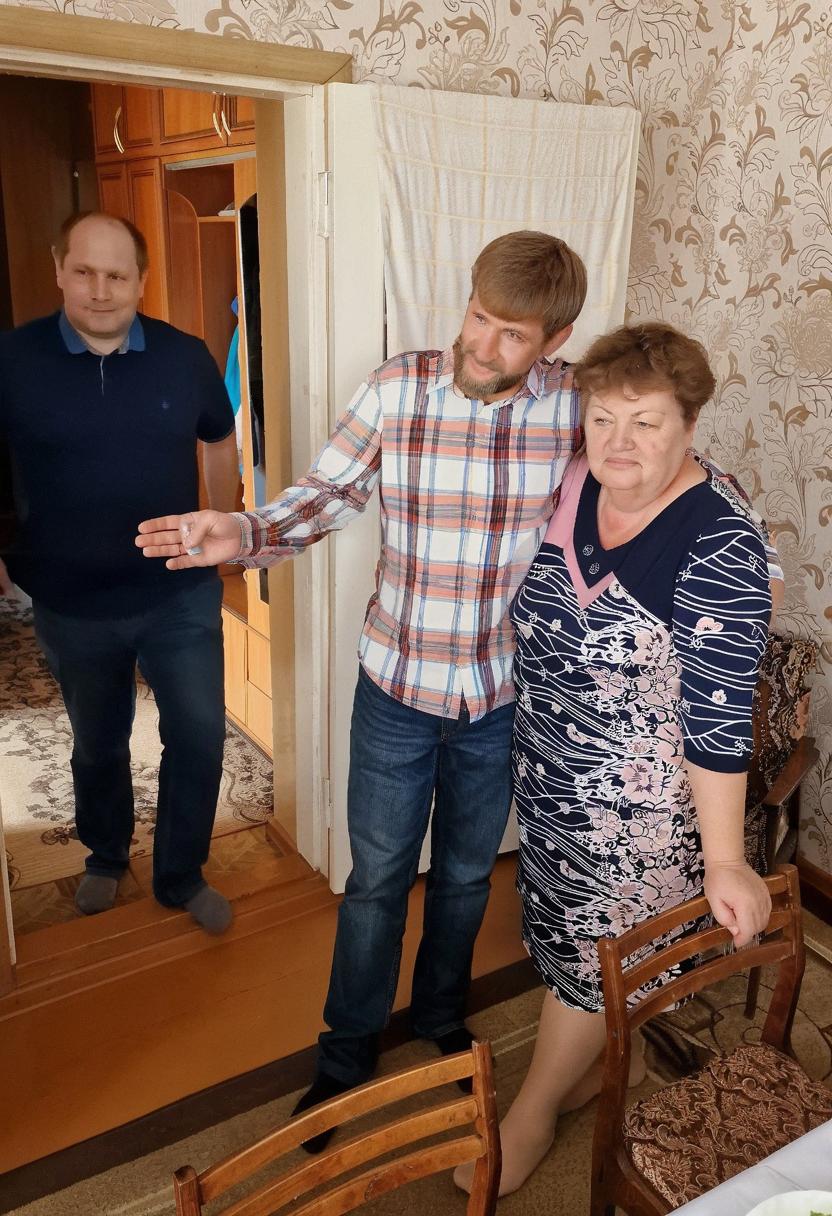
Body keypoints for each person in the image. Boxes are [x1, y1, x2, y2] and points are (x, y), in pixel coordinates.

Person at [134, 233, 781, 1147]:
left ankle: (441, 1023)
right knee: (376, 884)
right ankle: (346, 1054)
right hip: (398, 687)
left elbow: (673, 471)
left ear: (554, 341)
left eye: (511, 334)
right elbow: (323, 495)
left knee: (468, 878)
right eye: (478, 316)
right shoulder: (400, 387)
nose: (482, 345)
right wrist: (240, 531)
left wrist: (762, 557)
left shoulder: (575, 409)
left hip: (497, 700)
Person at [455, 322, 774, 1198]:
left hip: (642, 817)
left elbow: (717, 720)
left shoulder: (719, 541)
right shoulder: (570, 485)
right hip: (552, 782)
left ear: (689, 426)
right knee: (564, 943)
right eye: (603, 418)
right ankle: (599, 1066)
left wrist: (726, 860)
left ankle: (533, 1109)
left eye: (646, 422)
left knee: (599, 962)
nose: (619, 442)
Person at [0, 212, 240, 935]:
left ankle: (181, 872)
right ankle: (105, 853)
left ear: (141, 280)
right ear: (59, 270)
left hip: (178, 593)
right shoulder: (13, 360)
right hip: (72, 600)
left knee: (198, 734)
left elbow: (220, 441)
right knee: (97, 740)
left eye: (117, 275)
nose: (100, 290)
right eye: (84, 272)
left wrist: (222, 532)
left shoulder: (185, 356)